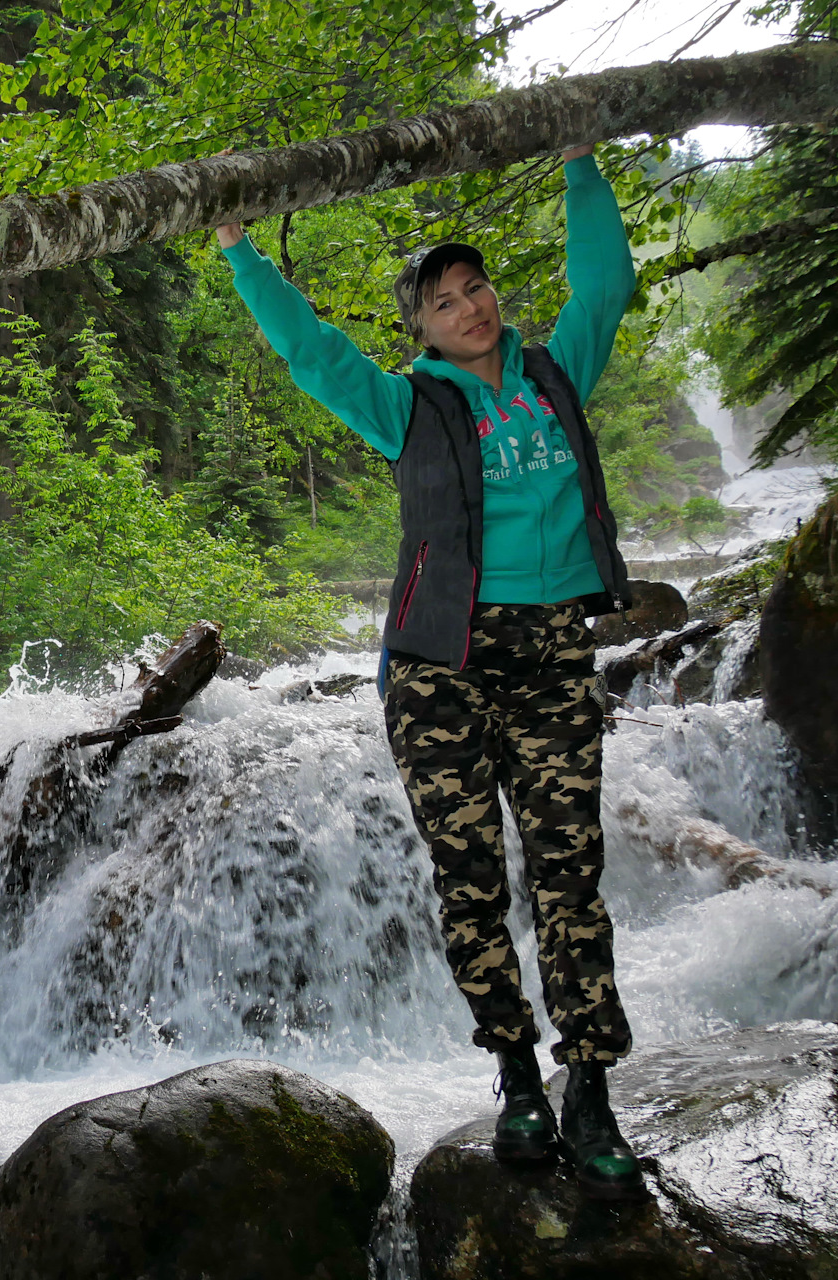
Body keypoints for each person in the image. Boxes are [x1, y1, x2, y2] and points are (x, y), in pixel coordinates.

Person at [215, 143, 645, 1200]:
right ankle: (516, 1077)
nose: (469, 306)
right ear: (420, 327)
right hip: (439, 670)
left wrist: (578, 162)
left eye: (477, 286)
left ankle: (589, 1087)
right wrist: (236, 246)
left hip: (550, 653)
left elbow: (608, 282)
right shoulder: (408, 407)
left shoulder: (556, 373)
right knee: (473, 881)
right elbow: (312, 353)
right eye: (444, 300)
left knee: (569, 874)